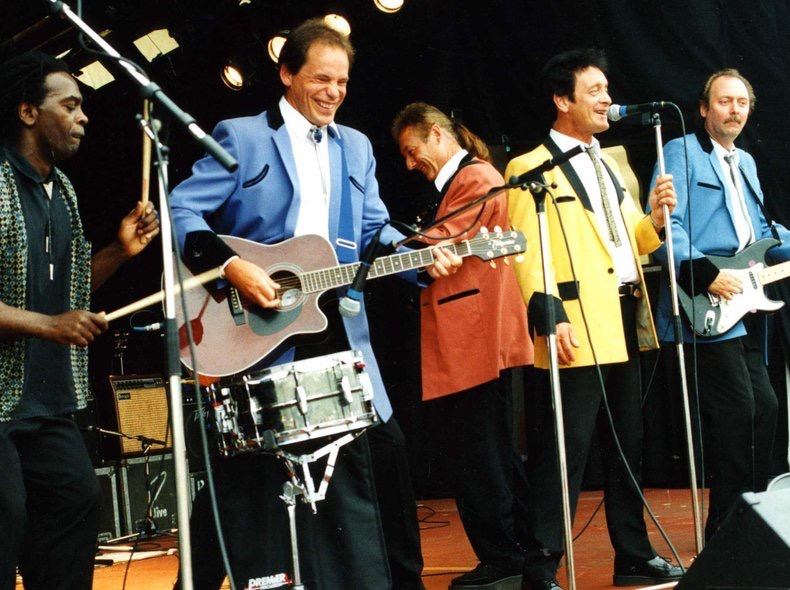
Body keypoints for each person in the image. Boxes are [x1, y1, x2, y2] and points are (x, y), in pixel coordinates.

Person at [169, 18, 459, 590]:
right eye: (320, 79)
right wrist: (234, 267)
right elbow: (183, 211)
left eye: (342, 83)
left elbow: (375, 229)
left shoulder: (356, 146)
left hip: (338, 327)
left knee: (384, 451)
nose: (333, 93)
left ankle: (403, 582)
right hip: (255, 327)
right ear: (286, 74)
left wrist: (419, 255)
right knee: (246, 470)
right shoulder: (242, 135)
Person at [504, 48, 681, 590]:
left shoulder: (608, 162)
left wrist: (654, 219)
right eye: (595, 90)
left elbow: (629, 237)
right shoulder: (527, 167)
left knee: (628, 446)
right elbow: (524, 252)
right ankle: (541, 567)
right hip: (573, 327)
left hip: (625, 316)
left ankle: (632, 555)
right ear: (562, 100)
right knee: (565, 453)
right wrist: (548, 314)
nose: (608, 99)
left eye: (607, 89)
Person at [0, 51, 160, 590]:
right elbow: (55, 317)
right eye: (69, 105)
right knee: (6, 515)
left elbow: (70, 293)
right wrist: (49, 326)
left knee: (76, 497)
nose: (83, 116)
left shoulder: (63, 192)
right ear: (27, 112)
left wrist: (119, 249)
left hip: (45, 402)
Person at [649, 68, 790, 540]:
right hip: (703, 302)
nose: (734, 109)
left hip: (744, 305)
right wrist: (704, 273)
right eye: (724, 101)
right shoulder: (682, 153)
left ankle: (751, 523)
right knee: (737, 411)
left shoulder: (747, 163)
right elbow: (662, 225)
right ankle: (725, 534)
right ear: (703, 108)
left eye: (741, 102)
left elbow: (761, 235)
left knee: (766, 407)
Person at [391, 103, 534, 589]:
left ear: (435, 134)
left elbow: (444, 238)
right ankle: (512, 552)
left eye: (412, 151)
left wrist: (392, 245)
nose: (409, 163)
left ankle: (503, 558)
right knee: (488, 448)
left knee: (475, 452)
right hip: (469, 331)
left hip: (469, 332)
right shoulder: (463, 180)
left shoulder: (475, 178)